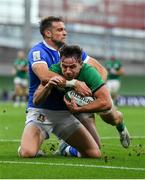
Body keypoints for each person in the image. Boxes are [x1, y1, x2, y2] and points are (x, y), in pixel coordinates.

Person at [18, 16, 108, 158]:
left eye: (64, 29)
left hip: (65, 112)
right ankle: (34, 140)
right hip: (41, 111)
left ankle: (65, 149)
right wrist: (74, 83)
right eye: (60, 30)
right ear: (48, 33)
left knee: (94, 153)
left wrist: (94, 90)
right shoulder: (38, 52)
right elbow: (45, 76)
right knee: (28, 153)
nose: (65, 33)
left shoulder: (70, 52)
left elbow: (100, 69)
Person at [33, 45, 130, 157]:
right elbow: (36, 100)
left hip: (95, 101)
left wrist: (80, 108)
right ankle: (66, 148)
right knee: (95, 149)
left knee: (113, 118)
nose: (68, 71)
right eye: (64, 66)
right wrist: (48, 86)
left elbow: (106, 103)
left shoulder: (89, 72)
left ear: (80, 64)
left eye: (73, 67)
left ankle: (121, 127)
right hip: (75, 109)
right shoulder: (55, 71)